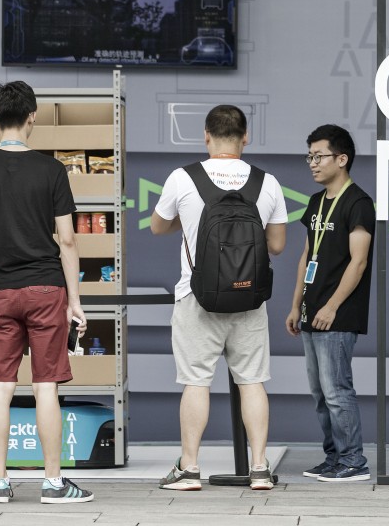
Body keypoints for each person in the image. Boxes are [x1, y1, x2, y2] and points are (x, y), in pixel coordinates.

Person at [0, 81, 93, 504]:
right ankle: (53, 483)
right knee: (46, 386)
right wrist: (75, 301)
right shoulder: (52, 170)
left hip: (0, 290)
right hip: (46, 288)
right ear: (33, 116)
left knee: (0, 385)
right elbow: (68, 241)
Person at [151, 105, 287, 491]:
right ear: (246, 138)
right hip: (250, 298)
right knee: (253, 381)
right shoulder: (267, 182)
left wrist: (186, 218)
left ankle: (190, 470)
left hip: (196, 296)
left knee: (196, 382)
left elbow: (158, 226)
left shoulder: (183, 178)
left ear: (206, 136)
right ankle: (260, 469)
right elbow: (276, 245)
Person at [285, 124, 375, 482]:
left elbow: (359, 262)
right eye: (309, 156)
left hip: (337, 315)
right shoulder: (315, 202)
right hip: (312, 312)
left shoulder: (358, 202)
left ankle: (354, 461)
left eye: (319, 156)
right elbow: (307, 256)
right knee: (321, 393)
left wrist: (332, 306)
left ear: (342, 158)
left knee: (337, 391)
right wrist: (296, 306)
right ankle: (335, 457)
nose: (312, 163)